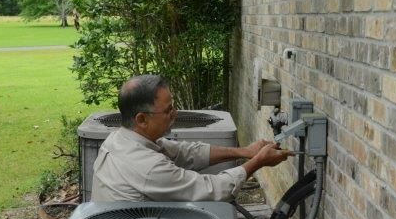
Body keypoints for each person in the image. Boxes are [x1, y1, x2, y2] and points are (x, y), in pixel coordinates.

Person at [91, 75, 294, 202]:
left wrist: (245, 152)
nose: (175, 113)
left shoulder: (120, 139)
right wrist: (258, 162)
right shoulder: (148, 168)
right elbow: (213, 190)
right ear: (142, 119)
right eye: (168, 109)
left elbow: (186, 152)